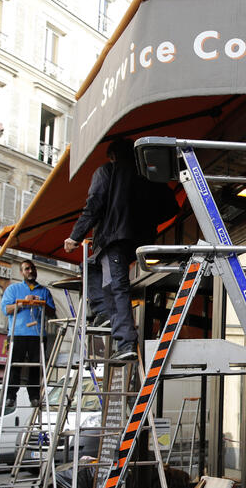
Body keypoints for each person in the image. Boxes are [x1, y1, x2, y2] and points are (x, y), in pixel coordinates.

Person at [63, 138, 174, 360]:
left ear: (112, 156)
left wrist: (75, 236)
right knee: (92, 265)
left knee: (116, 286)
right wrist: (145, 222)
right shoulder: (147, 176)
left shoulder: (107, 171)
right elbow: (170, 206)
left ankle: (125, 343)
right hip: (139, 239)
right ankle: (103, 312)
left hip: (115, 237)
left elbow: (94, 204)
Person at [0, 259, 56, 408]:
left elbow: (52, 312)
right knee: (14, 365)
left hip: (37, 335)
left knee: (35, 366)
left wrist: (41, 303)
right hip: (17, 333)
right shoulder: (13, 289)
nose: (30, 271)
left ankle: (34, 397)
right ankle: (10, 396)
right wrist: (22, 303)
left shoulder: (44, 291)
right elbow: (6, 310)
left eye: (32, 268)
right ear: (21, 272)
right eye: (27, 269)